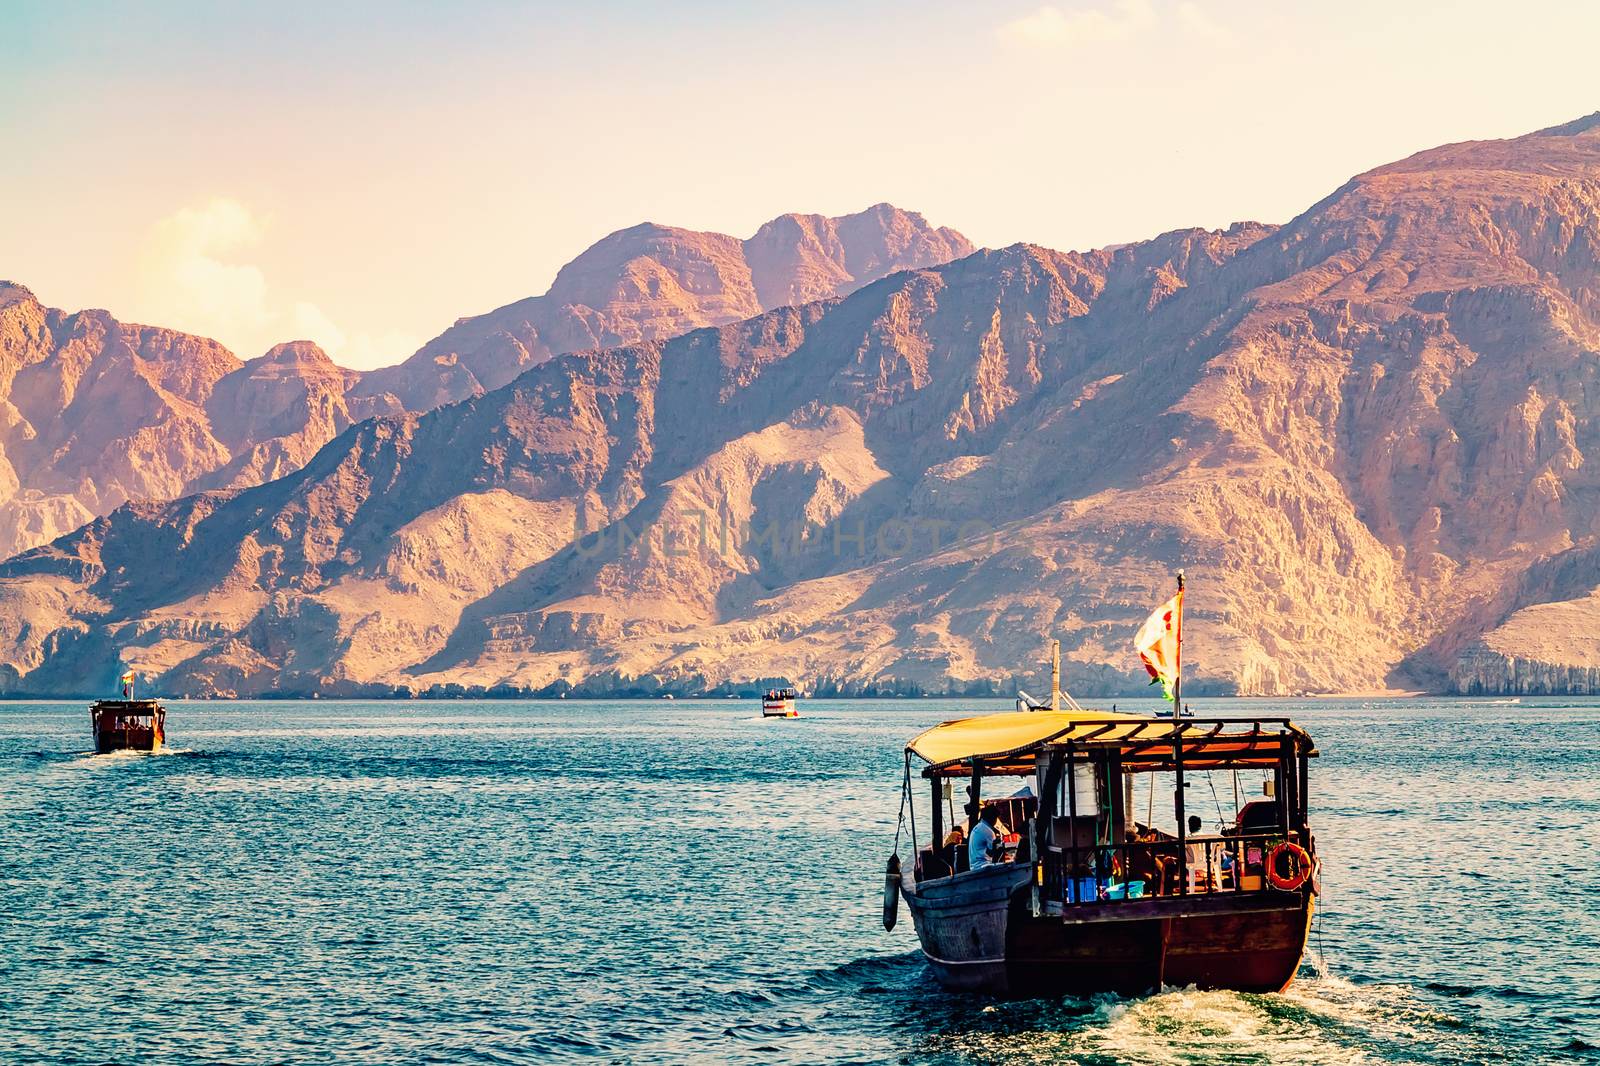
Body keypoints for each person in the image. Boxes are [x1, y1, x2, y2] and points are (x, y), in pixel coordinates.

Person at [968, 805, 1005, 870]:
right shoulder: (987, 831)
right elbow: (993, 853)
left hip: (974, 865)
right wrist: (1000, 845)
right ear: (992, 818)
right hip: (982, 865)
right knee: (1008, 865)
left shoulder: (978, 827)